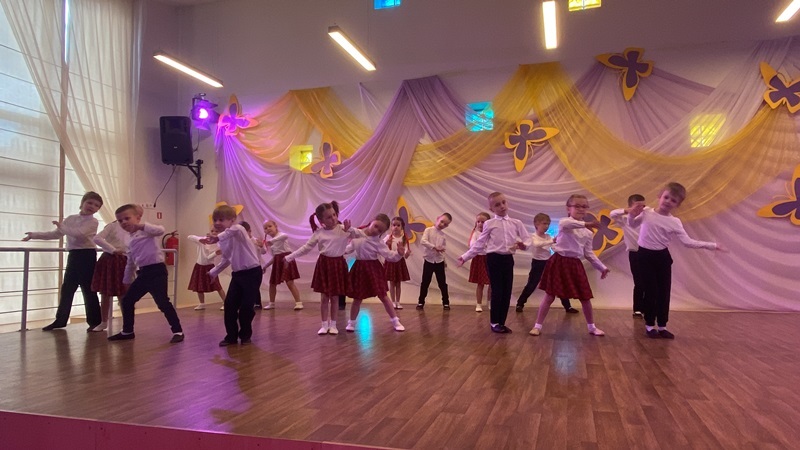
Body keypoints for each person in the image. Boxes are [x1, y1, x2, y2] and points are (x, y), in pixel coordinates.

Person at [629, 182, 726, 339]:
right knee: (651, 291)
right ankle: (649, 325)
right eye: (666, 197)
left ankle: (662, 325)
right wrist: (631, 214)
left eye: (673, 200)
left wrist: (712, 245)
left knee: (664, 292)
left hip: (662, 258)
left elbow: (687, 242)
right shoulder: (646, 213)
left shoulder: (675, 222)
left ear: (677, 205)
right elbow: (632, 224)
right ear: (659, 196)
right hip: (644, 256)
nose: (668, 201)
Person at [529, 195, 609, 337]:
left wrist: (602, 267)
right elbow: (568, 224)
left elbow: (589, 253)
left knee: (585, 297)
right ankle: (537, 326)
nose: (581, 209)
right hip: (559, 262)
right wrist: (588, 224)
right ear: (568, 208)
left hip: (574, 264)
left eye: (584, 206)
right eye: (577, 206)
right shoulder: (564, 223)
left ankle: (592, 327)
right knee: (549, 296)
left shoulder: (587, 232)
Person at [23, 191, 103, 331]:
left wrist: (62, 227)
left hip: (87, 255)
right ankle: (60, 320)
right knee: (67, 288)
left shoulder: (93, 221)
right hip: (74, 255)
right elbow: (56, 234)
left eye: (96, 205)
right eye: (89, 202)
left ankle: (95, 322)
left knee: (88, 289)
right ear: (82, 203)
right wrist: (34, 235)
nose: (92, 206)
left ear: (98, 210)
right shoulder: (71, 218)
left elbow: (79, 234)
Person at [108, 204, 184, 343]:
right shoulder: (129, 239)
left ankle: (178, 331)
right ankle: (127, 331)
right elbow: (130, 261)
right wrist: (126, 280)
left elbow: (160, 230)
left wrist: (141, 226)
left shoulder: (147, 231)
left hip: (157, 271)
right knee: (127, 300)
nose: (124, 222)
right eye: (120, 220)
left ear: (137, 218)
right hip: (143, 273)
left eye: (127, 218)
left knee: (162, 302)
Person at [285, 201, 360, 335]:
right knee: (324, 297)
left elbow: (360, 235)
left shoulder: (343, 229)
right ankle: (324, 324)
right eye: (329, 217)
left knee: (335, 297)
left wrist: (350, 230)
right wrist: (289, 257)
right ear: (321, 221)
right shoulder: (319, 233)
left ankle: (333, 324)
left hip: (338, 264)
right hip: (324, 265)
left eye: (334, 215)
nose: (333, 219)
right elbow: (306, 248)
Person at [458, 193, 529, 333]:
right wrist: (465, 257)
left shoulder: (516, 223)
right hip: (493, 259)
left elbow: (527, 239)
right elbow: (479, 243)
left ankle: (502, 322)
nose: (502, 206)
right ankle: (494, 322)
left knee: (507, 291)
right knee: (497, 290)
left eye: (503, 202)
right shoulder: (489, 224)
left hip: (508, 259)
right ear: (491, 209)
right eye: (497, 205)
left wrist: (524, 245)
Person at [203, 205, 263, 346]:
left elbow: (232, 231)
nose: (217, 223)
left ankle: (245, 335)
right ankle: (231, 336)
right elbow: (226, 259)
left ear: (232, 220)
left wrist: (217, 238)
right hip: (237, 275)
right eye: (215, 220)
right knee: (229, 305)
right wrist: (213, 272)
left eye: (221, 220)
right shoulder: (223, 239)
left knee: (246, 307)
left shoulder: (239, 229)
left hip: (252, 273)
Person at [345, 214, 406, 332]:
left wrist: (399, 254)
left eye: (380, 230)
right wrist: (334, 250)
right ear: (371, 222)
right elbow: (347, 249)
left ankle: (395, 321)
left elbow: (389, 256)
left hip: (374, 269)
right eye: (376, 226)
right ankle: (351, 323)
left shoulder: (378, 242)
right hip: (359, 269)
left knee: (383, 295)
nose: (376, 231)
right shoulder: (357, 236)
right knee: (357, 298)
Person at [515, 214, 578, 314]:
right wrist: (552, 241)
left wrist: (563, 247)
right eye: (544, 223)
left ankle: (568, 306)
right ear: (536, 224)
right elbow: (537, 244)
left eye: (548, 224)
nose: (546, 226)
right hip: (537, 264)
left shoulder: (548, 236)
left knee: (559, 283)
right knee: (532, 284)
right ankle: (520, 303)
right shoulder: (533, 236)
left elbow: (554, 248)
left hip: (549, 263)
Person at [610, 194, 647, 318]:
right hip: (635, 253)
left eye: (643, 206)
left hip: (649, 253)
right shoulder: (625, 219)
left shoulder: (646, 218)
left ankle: (648, 307)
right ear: (630, 206)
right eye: (638, 206)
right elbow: (612, 214)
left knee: (650, 282)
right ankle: (638, 309)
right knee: (639, 282)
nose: (641, 209)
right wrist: (627, 211)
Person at [90, 220, 129, 332]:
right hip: (109, 259)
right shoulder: (112, 226)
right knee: (105, 292)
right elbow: (97, 238)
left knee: (123, 293)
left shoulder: (132, 228)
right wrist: (113, 250)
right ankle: (104, 322)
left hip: (124, 260)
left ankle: (127, 323)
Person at [261, 220, 303, 311]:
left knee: (290, 282)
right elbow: (275, 257)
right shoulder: (271, 243)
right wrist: (266, 266)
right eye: (265, 228)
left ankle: (299, 303)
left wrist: (270, 242)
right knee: (272, 283)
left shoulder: (281, 236)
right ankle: (271, 303)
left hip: (287, 259)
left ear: (275, 226)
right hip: (278, 261)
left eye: (270, 226)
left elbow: (285, 236)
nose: (268, 229)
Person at [417, 213, 453, 310]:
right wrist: (434, 247)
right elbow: (423, 241)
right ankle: (421, 302)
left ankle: (446, 302)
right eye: (441, 221)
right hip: (428, 260)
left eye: (445, 224)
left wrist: (444, 260)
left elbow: (443, 249)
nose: (442, 225)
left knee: (442, 283)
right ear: (437, 219)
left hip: (439, 261)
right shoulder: (428, 230)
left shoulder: (443, 235)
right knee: (425, 282)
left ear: (447, 226)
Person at [187, 229, 226, 310]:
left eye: (216, 231)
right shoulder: (203, 240)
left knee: (217, 285)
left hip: (209, 266)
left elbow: (208, 258)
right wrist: (199, 239)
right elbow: (189, 237)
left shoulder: (218, 244)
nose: (214, 232)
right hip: (199, 265)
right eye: (212, 231)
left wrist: (215, 253)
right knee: (198, 286)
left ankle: (226, 303)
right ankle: (202, 303)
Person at [384, 216, 411, 310]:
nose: (395, 227)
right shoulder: (388, 237)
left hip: (399, 262)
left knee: (398, 283)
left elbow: (405, 252)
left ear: (402, 227)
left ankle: (398, 301)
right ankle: (392, 302)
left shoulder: (404, 238)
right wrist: (387, 243)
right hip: (390, 261)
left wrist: (407, 253)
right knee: (392, 282)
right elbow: (382, 248)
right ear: (391, 227)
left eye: (398, 225)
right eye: (394, 225)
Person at [467, 212, 491, 312]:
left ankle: (490, 302)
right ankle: (478, 303)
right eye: (478, 222)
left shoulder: (491, 234)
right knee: (480, 283)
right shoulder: (475, 233)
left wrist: (483, 245)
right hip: (479, 259)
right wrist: (481, 245)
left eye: (483, 222)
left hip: (489, 259)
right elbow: (472, 245)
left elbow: (492, 245)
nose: (480, 224)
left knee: (492, 283)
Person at [239, 221, 263, 309]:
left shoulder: (255, 240)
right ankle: (245, 303)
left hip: (255, 267)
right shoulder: (241, 242)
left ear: (249, 231)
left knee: (254, 286)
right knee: (245, 286)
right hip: (244, 267)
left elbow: (264, 252)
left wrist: (261, 246)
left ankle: (257, 303)